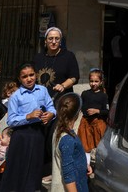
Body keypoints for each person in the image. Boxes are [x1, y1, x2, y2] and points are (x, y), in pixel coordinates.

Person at [0, 63, 56, 192]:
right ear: (19, 79)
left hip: (38, 133)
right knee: (19, 167)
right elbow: (11, 120)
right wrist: (28, 116)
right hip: (22, 135)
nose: (29, 79)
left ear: (36, 74)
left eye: (31, 75)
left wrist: (51, 114)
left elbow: (51, 106)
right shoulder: (16, 96)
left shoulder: (42, 90)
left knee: (34, 167)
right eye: (24, 77)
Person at [34, 27, 80, 183]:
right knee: (40, 135)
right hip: (41, 104)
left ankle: (54, 171)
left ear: (61, 41)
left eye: (57, 39)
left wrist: (63, 85)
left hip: (61, 103)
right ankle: (39, 169)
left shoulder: (68, 56)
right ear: (45, 41)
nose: (53, 41)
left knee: (54, 135)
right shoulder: (38, 58)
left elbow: (75, 77)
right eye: (50, 39)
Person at [52, 93, 92, 192]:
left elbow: (66, 157)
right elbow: (68, 176)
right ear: (78, 113)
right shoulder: (67, 139)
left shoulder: (58, 130)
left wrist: (83, 165)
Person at [78, 69, 109, 153]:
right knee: (84, 147)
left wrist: (97, 111)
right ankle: (87, 165)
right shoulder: (85, 94)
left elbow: (106, 111)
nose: (93, 83)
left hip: (98, 124)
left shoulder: (103, 96)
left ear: (101, 82)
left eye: (96, 81)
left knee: (100, 148)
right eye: (91, 81)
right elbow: (81, 106)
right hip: (86, 123)